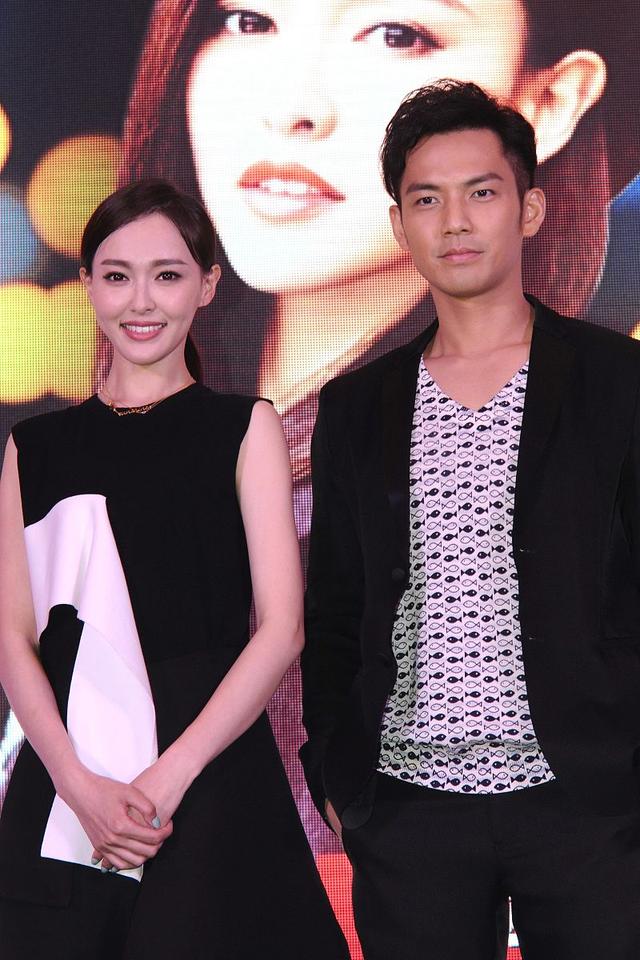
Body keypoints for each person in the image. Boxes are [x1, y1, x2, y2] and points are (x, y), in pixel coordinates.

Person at [115, 0, 640, 855]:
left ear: (551, 101)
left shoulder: (548, 422)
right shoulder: (143, 426)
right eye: (249, 21)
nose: (293, 106)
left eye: (398, 34)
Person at [300, 79, 640, 960]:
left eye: (480, 192)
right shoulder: (356, 407)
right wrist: (335, 768)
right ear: (399, 225)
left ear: (529, 209)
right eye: (426, 200)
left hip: (587, 801)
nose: (454, 221)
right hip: (408, 809)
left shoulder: (615, 382)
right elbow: (334, 608)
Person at [0, 178, 349, 959]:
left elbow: (283, 629)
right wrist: (76, 785)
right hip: (67, 782)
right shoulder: (36, 446)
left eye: (167, 274)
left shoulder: (244, 426)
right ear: (88, 284)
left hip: (208, 776)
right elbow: (13, 635)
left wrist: (168, 778)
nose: (141, 301)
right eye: (116, 275)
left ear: (208, 284)